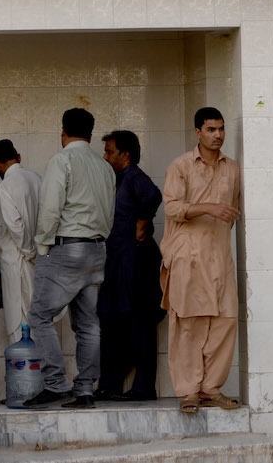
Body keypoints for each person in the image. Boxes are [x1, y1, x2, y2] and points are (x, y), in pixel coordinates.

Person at [24, 108, 115, 410]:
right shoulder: (105, 168)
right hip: (97, 250)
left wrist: (42, 248)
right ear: (90, 134)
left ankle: (55, 383)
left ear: (63, 132)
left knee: (39, 315)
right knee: (88, 323)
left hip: (67, 248)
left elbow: (50, 209)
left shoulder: (61, 160)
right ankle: (85, 390)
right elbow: (109, 214)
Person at [160, 107, 242, 415]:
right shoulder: (180, 166)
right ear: (198, 132)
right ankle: (188, 391)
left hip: (220, 256)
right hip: (188, 256)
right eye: (211, 129)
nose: (218, 135)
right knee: (189, 325)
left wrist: (216, 216)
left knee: (226, 321)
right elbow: (171, 207)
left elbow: (232, 212)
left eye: (221, 129)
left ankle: (211, 388)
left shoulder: (233, 169)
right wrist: (209, 207)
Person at [95, 130, 165, 402]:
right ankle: (111, 383)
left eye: (109, 151)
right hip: (118, 261)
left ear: (125, 155)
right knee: (113, 321)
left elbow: (154, 196)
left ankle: (143, 387)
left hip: (136, 262)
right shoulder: (118, 179)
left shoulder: (135, 177)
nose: (105, 156)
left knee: (140, 323)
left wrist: (142, 221)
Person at [0, 139, 42, 345]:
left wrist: (28, 251)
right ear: (18, 157)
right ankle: (40, 372)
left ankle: (24, 372)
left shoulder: (6, 185)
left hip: (19, 258)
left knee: (18, 317)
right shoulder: (37, 179)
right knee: (37, 314)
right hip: (40, 258)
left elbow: (16, 225)